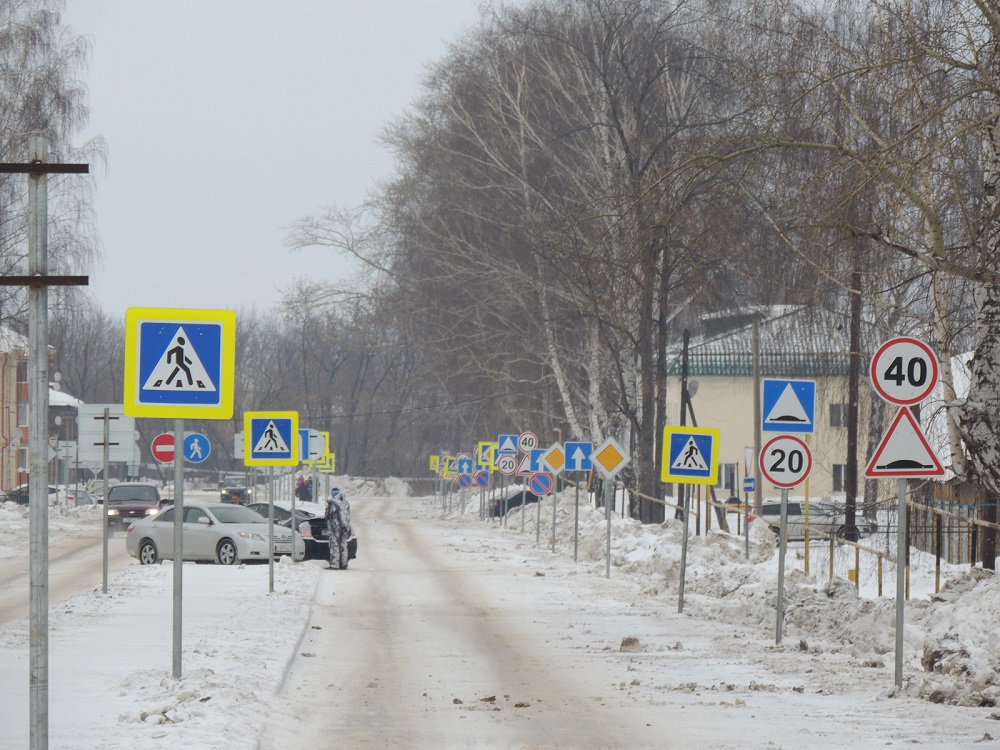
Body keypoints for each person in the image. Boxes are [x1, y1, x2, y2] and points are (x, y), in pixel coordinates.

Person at [325, 487, 352, 570]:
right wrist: (346, 526)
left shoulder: (333, 503)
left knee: (334, 545)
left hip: (335, 527)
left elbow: (329, 515)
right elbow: (346, 516)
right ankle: (344, 564)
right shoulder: (345, 503)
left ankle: (334, 564)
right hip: (345, 527)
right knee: (343, 545)